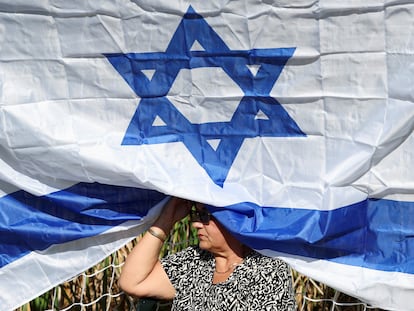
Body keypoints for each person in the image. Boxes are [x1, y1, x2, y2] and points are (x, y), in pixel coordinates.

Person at [119, 197, 297, 310]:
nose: (196, 224)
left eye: (204, 216)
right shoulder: (194, 262)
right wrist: (166, 221)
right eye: (195, 215)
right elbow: (133, 282)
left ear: (232, 220)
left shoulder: (268, 270)